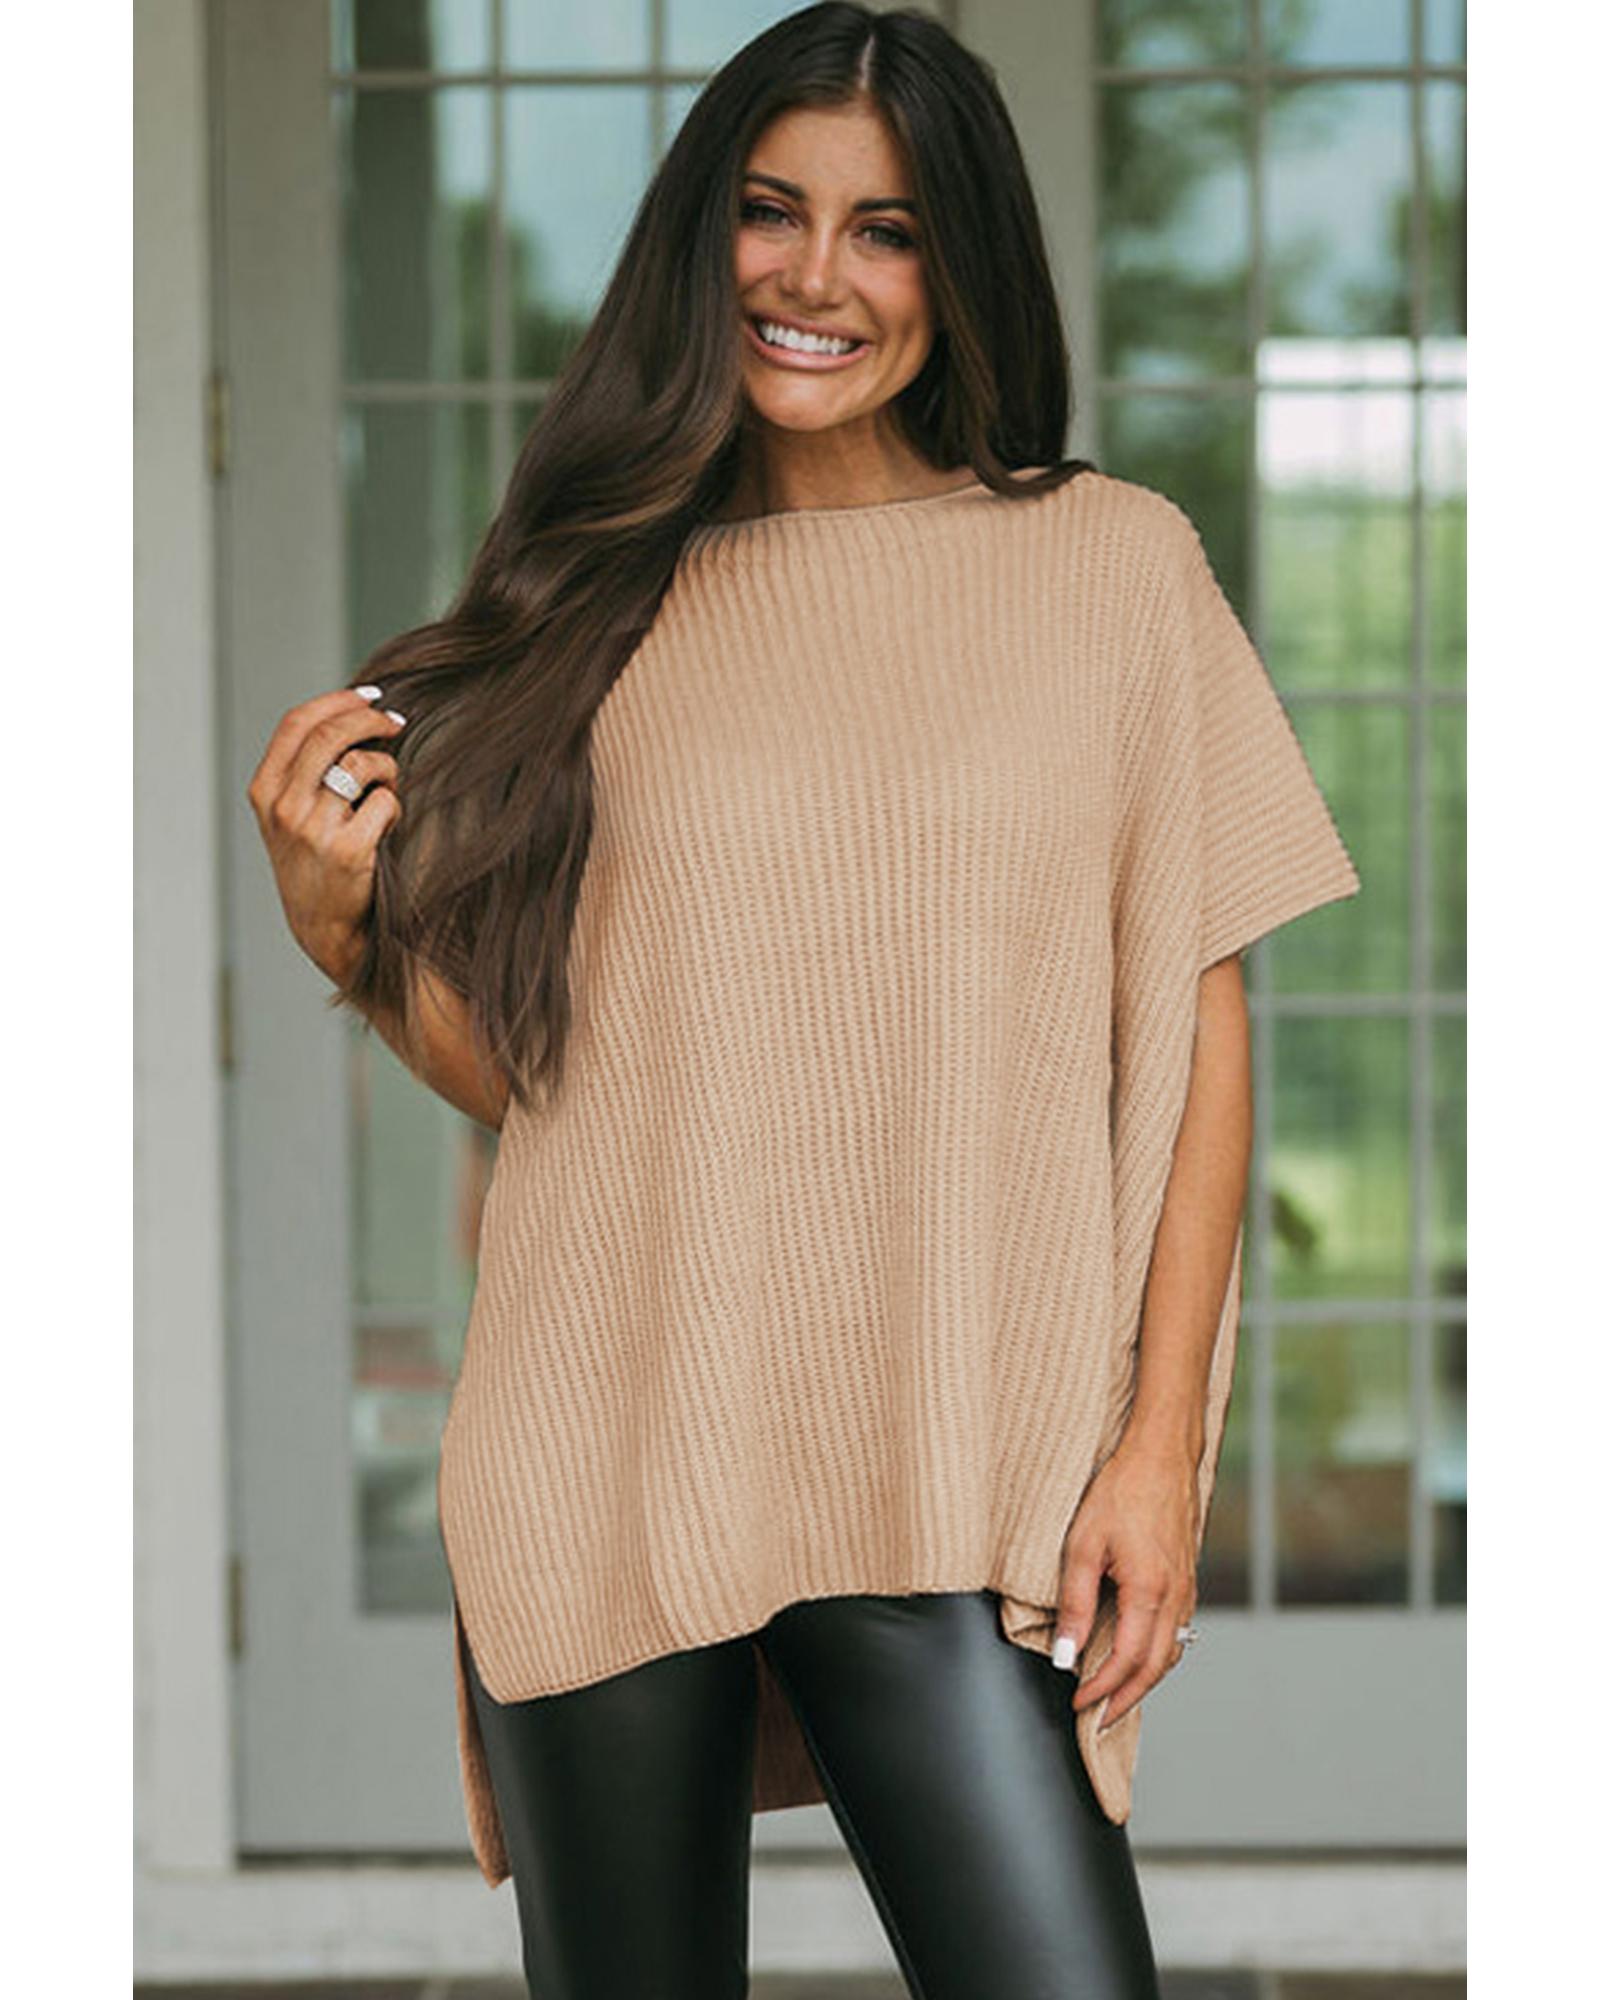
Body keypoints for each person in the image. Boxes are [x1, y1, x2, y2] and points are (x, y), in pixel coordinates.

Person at [246, 7, 1360, 1996]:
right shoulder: (593, 598)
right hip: (613, 1452)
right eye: (771, 212)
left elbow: (1194, 1030)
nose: (815, 276)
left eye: (886, 228)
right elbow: (567, 1086)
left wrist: (1156, 1456)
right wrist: (345, 937)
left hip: (964, 1464)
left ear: (960, 263)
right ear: (705, 235)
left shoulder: (1113, 571)